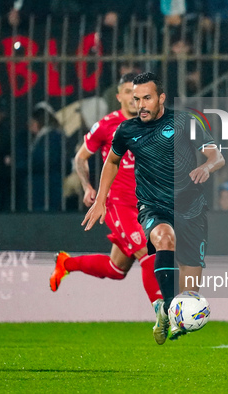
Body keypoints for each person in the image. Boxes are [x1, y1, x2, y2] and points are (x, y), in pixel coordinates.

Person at [82, 72, 225, 344]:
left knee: (191, 290)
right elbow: (111, 162)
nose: (141, 105)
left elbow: (216, 155)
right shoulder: (127, 130)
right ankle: (169, 311)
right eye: (136, 99)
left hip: (190, 207)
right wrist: (101, 200)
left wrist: (206, 166)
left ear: (161, 98)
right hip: (153, 206)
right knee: (162, 238)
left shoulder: (184, 122)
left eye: (147, 98)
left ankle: (178, 314)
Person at [49, 73, 161, 307]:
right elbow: (80, 158)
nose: (134, 98)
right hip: (118, 204)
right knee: (149, 253)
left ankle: (66, 264)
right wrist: (87, 186)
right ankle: (165, 314)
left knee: (116, 269)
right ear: (119, 96)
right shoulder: (107, 125)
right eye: (129, 92)